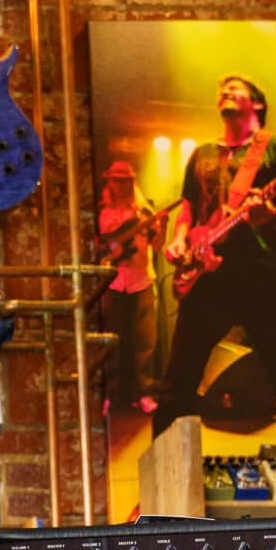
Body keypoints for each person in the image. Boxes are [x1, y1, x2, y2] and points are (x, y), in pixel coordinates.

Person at [151, 73, 276, 450]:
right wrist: (180, 240)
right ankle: (161, 481)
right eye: (222, 89)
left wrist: (269, 217)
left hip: (263, 281)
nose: (225, 92)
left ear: (257, 104)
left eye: (236, 89)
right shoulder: (201, 154)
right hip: (207, 281)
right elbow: (187, 211)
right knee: (176, 385)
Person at [95, 160, 160, 410]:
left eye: (125, 180)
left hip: (141, 280)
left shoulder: (144, 212)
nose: (120, 185)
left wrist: (161, 229)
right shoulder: (99, 210)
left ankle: (144, 392)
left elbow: (157, 246)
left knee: (145, 340)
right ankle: (110, 395)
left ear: (132, 182)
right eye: (116, 180)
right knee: (110, 340)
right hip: (111, 282)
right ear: (109, 181)